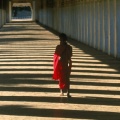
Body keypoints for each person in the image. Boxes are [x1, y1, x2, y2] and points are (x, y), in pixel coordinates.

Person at [53, 33, 72, 98]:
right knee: (60, 77)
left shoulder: (69, 47)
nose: (61, 41)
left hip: (66, 63)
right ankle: (61, 91)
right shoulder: (58, 47)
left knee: (67, 78)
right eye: (60, 39)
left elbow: (70, 56)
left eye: (62, 39)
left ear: (65, 39)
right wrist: (58, 58)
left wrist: (69, 62)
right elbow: (55, 55)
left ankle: (68, 92)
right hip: (60, 64)